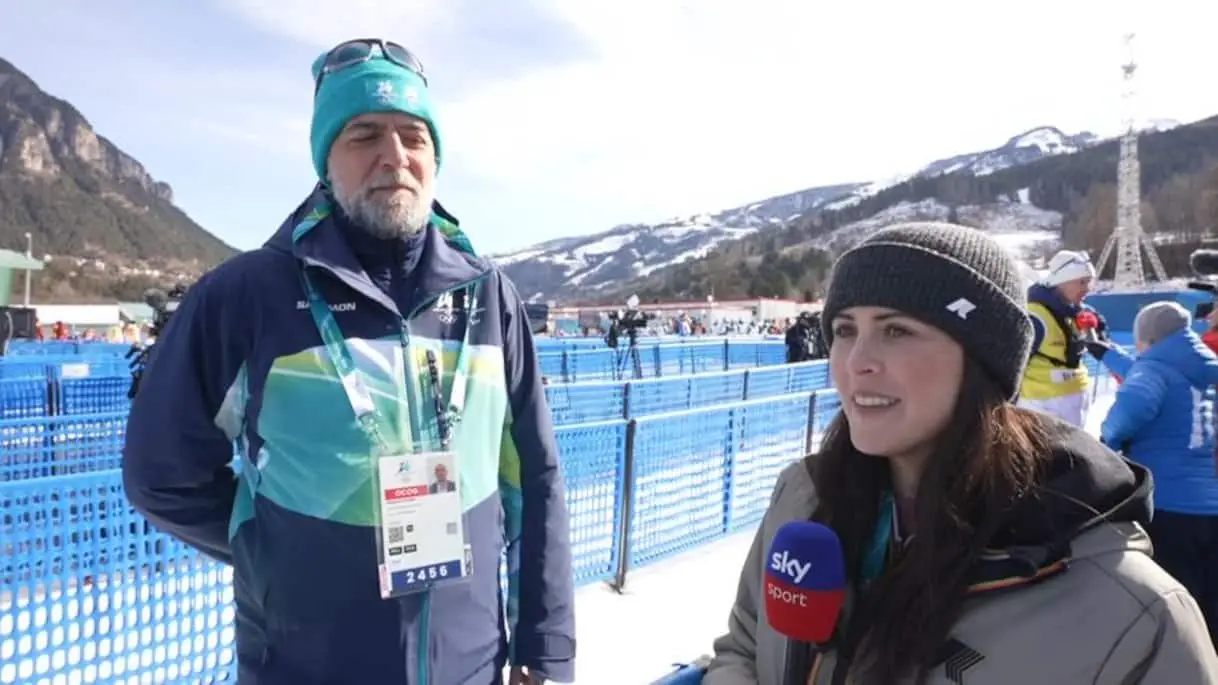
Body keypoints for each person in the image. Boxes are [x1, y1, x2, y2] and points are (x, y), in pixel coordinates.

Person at [122, 38, 575, 685]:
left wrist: (546, 646)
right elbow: (160, 473)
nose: (395, 156)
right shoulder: (247, 295)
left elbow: (535, 475)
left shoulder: (487, 296)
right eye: (364, 135)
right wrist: (273, 546)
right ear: (325, 158)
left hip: (472, 664)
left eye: (414, 137)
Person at [704, 223, 1218, 684]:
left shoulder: (1131, 618)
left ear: (982, 360)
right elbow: (744, 646)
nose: (856, 361)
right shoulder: (804, 501)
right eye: (844, 330)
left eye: (896, 330)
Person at [1097, 301, 1218, 646]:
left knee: (1178, 600)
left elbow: (1130, 410)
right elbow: (1156, 376)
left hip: (1169, 503)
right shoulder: (1205, 367)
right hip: (1211, 503)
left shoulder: (1153, 371)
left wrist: (1109, 440)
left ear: (1149, 338)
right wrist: (1109, 356)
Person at [1018, 249, 1100, 427]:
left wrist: (1096, 330)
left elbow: (1090, 346)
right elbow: (1015, 360)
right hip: (1042, 403)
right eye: (1082, 282)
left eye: (1089, 282)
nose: (1087, 288)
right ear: (1062, 281)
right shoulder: (1036, 315)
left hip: (1073, 397)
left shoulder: (1074, 311)